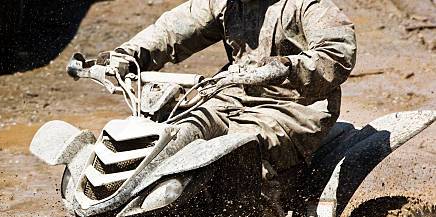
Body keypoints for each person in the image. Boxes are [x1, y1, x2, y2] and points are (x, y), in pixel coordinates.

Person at [100, 0, 357, 177]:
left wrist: (284, 67)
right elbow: (172, 30)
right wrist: (126, 56)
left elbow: (337, 54)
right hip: (232, 95)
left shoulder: (307, 5)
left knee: (235, 152)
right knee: (174, 131)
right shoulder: (229, 4)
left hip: (294, 106)